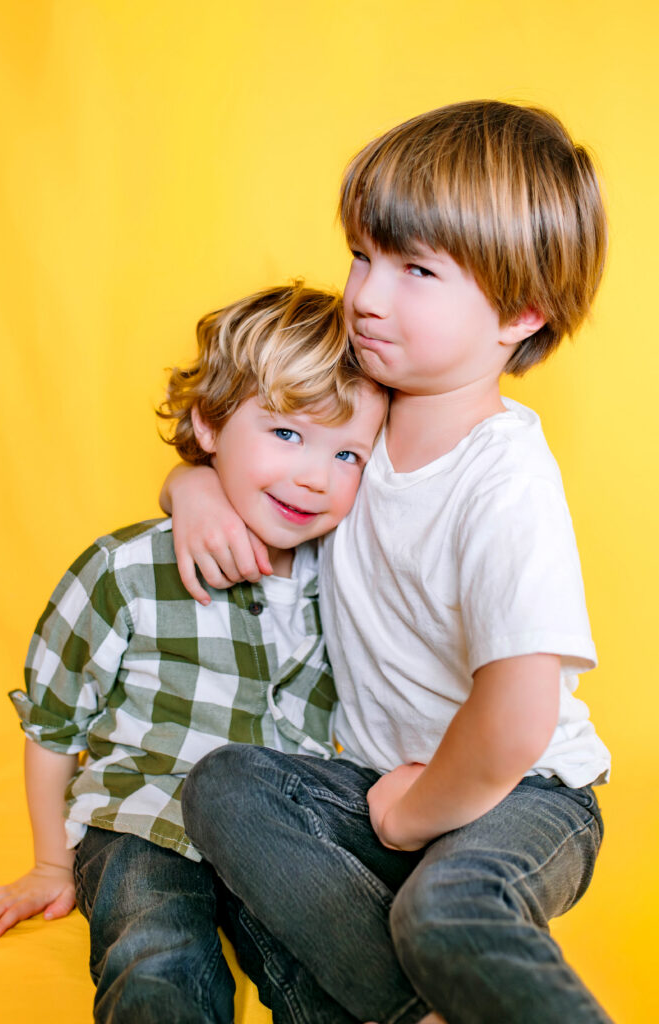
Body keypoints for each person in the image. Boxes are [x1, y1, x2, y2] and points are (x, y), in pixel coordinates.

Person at [167, 101, 613, 1023]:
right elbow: (256, 443)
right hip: (377, 786)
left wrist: (412, 816)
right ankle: (410, 1011)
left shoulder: (504, 478)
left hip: (516, 793)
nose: (367, 295)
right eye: (364, 255)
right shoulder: (358, 410)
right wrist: (195, 486)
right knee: (223, 791)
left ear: (520, 314)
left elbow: (519, 714)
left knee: (444, 911)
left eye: (416, 270)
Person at [0, 282, 390, 1024]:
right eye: (286, 434)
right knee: (155, 956)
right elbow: (52, 726)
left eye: (348, 453)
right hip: (142, 816)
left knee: (334, 975)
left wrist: (192, 483)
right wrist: (50, 862)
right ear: (206, 422)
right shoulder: (127, 569)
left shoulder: (352, 575)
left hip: (277, 828)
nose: (313, 476)